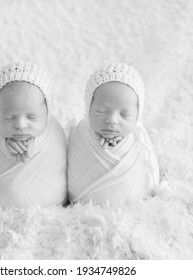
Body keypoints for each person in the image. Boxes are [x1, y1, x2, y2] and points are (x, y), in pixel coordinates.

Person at [67, 63, 159, 206]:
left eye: (125, 114)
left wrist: (122, 142)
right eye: (101, 111)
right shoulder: (80, 134)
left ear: (137, 116)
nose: (112, 120)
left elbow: (151, 172)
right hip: (83, 204)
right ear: (88, 109)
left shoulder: (139, 140)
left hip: (133, 206)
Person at [0, 62, 67, 208]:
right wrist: (3, 144)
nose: (20, 125)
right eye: (9, 117)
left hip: (52, 203)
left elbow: (61, 156)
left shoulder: (54, 130)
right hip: (0, 204)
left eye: (31, 117)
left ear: (46, 112)